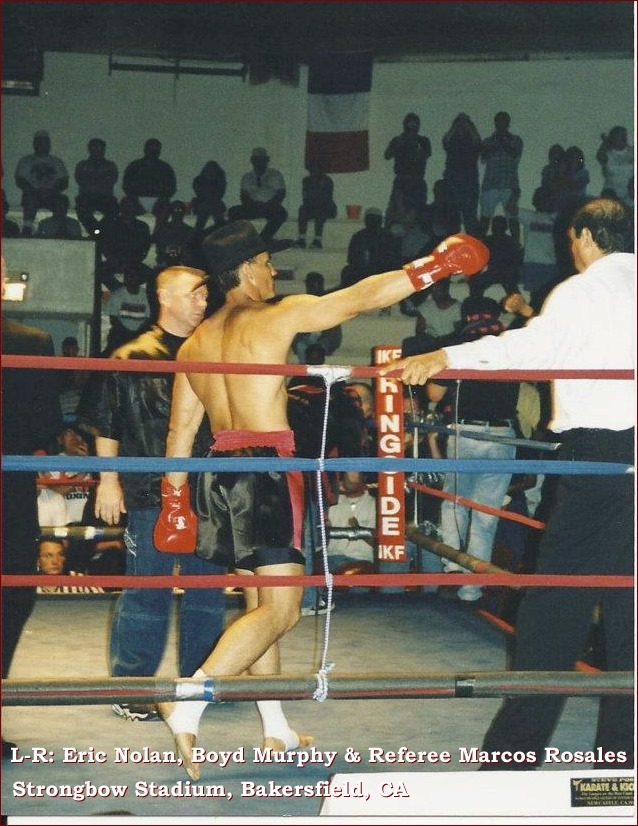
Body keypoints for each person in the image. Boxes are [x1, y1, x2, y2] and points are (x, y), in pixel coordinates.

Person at [152, 219, 488, 778]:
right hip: (266, 469)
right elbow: (358, 299)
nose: (273, 272)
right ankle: (188, 700)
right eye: (266, 263)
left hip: (218, 471)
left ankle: (275, 728)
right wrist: (432, 268)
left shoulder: (194, 343)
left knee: (261, 605)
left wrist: (174, 498)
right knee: (281, 611)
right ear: (246, 269)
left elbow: (179, 433)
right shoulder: (274, 315)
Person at [381, 197, 634, 769]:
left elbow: (527, 348)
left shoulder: (583, 290)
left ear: (585, 237)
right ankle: (622, 764)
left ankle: (513, 760)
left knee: (553, 609)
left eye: (572, 241)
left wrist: (446, 356)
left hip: (600, 459)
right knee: (629, 610)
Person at [77, 265, 226, 723]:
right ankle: (131, 687)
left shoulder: (213, 351)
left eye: (205, 295)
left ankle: (200, 683)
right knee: (147, 591)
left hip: (208, 491)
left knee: (208, 594)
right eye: (193, 294)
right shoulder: (131, 355)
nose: (203, 302)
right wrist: (108, 480)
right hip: (149, 491)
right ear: (164, 297)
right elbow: (107, 422)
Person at [2, 255, 62, 758]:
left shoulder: (33, 341)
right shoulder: (31, 341)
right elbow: (46, 426)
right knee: (11, 594)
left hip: (12, 479)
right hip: (10, 479)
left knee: (13, 593)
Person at [426, 296, 519, 604]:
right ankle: (471, 589)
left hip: (467, 431)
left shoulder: (457, 344)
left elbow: (434, 394)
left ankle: (453, 566)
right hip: (503, 434)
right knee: (485, 515)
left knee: (455, 503)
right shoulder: (512, 341)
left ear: (465, 317)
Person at [14, 130, 69, 237]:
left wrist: (51, 191)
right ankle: (27, 228)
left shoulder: (57, 162)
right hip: (32, 193)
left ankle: (61, 229)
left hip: (53, 194)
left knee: (62, 200)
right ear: (34, 144)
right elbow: (20, 180)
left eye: (44, 143)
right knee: (29, 199)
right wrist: (35, 190)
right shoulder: (25, 161)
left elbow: (64, 181)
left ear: (49, 144)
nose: (42, 145)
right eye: (39, 142)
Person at [479, 112, 523, 242]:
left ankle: (516, 246)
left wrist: (501, 142)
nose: (501, 124)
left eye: (504, 121)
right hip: (490, 184)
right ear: (495, 123)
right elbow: (483, 157)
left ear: (508, 123)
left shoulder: (516, 140)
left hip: (509, 184)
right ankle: (479, 248)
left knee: (513, 218)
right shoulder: (488, 141)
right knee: (485, 218)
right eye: (499, 121)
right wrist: (496, 142)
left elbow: (515, 154)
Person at [228, 147, 288, 240]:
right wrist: (253, 204)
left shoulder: (275, 174)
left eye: (262, 159)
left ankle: (263, 239)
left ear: (267, 160)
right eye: (256, 159)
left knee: (281, 213)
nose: (259, 162)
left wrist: (269, 204)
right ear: (252, 160)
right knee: (233, 211)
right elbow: (244, 195)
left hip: (270, 206)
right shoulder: (247, 177)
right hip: (253, 206)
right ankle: (243, 238)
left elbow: (281, 193)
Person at [383, 113, 431, 229]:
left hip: (417, 181)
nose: (412, 126)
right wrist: (400, 143)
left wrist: (415, 146)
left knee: (416, 215)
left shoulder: (423, 141)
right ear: (405, 125)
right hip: (401, 180)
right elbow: (387, 155)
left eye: (414, 123)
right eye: (409, 123)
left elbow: (424, 155)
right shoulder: (398, 140)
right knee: (394, 214)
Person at [326, 472, 376, 573]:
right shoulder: (332, 502)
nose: (351, 477)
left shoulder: (374, 503)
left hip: (361, 560)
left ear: (364, 477)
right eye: (348, 473)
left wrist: (358, 530)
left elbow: (378, 542)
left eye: (355, 473)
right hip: (332, 558)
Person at [442, 112, 482, 236]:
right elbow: (445, 141)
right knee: (452, 217)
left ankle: (472, 243)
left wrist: (470, 126)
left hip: (469, 183)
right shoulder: (452, 139)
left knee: (470, 217)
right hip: (453, 182)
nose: (462, 125)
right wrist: (455, 126)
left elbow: (479, 144)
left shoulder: (472, 139)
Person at [291, 272, 342, 363]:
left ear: (321, 285)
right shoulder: (302, 302)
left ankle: (316, 361)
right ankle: (306, 368)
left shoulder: (329, 302)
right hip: (306, 337)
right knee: (300, 345)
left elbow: (334, 328)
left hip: (325, 337)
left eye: (315, 285)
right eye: (310, 285)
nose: (313, 288)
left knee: (318, 348)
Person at [74, 137, 119, 235]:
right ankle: (97, 232)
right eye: (94, 147)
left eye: (99, 148)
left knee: (114, 210)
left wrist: (92, 178)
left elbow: (111, 181)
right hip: (86, 197)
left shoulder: (110, 165)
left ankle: (98, 232)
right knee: (82, 210)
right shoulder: (82, 165)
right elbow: (80, 180)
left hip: (105, 197)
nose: (97, 150)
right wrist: (100, 178)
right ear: (89, 149)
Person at [122, 138, 177, 216]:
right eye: (151, 148)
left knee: (166, 206)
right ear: (145, 149)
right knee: (126, 203)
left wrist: (160, 201)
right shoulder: (134, 166)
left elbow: (171, 188)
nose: (153, 151)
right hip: (136, 200)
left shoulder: (166, 168)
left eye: (156, 149)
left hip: (160, 201)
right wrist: (136, 201)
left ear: (159, 151)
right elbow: (126, 186)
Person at [294, 161, 337, 249]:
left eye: (316, 168)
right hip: (311, 206)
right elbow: (305, 197)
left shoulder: (327, 180)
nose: (313, 171)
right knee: (302, 210)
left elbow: (326, 199)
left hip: (327, 207)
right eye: (312, 169)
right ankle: (301, 239)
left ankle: (317, 240)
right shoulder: (306, 180)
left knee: (320, 210)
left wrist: (314, 203)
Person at [596, 126, 633, 203]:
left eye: (624, 135)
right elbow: (600, 156)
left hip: (630, 194)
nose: (624, 138)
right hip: (611, 193)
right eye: (620, 136)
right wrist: (605, 142)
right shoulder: (607, 154)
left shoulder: (632, 152)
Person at [191, 161, 227, 234]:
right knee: (202, 224)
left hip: (211, 204)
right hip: (205, 204)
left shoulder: (220, 180)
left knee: (218, 224)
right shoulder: (199, 180)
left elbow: (220, 193)